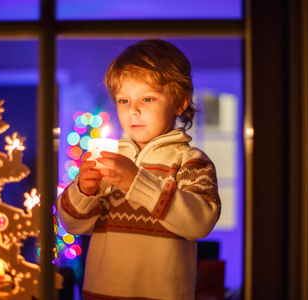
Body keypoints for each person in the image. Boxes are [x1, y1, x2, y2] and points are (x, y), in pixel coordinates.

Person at [56, 39, 221, 300]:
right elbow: (72, 224)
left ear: (180, 103)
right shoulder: (108, 157)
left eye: (147, 98)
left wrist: (137, 182)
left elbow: (200, 223)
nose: (133, 110)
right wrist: (83, 190)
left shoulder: (190, 161)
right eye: (123, 100)